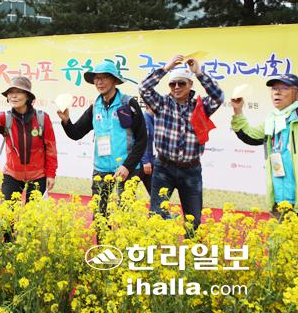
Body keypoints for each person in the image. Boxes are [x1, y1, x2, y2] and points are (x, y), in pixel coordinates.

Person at [139, 55, 224, 231]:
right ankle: (154, 249)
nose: (176, 87)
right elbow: (143, 88)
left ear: (190, 84)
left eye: (181, 83)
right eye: (172, 84)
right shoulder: (161, 103)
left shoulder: (201, 105)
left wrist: (199, 73)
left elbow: (218, 97)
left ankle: (191, 249)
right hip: (163, 168)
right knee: (156, 217)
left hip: (191, 170)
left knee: (193, 221)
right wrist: (166, 69)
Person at [57, 61, 147, 217]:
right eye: (96, 78)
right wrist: (66, 121)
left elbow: (142, 139)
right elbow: (76, 133)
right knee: (99, 217)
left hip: (126, 169)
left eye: (104, 77)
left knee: (124, 217)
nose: (99, 82)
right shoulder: (95, 106)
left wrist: (127, 166)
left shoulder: (127, 104)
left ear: (114, 80)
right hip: (101, 169)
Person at [0, 76, 57, 201]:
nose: (13, 96)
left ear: (27, 96)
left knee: (34, 213)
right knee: (7, 211)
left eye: (19, 92)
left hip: (38, 175)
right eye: (10, 92)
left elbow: (51, 148)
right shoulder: (5, 117)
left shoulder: (42, 118)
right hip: (12, 174)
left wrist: (51, 174)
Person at [231, 74, 298, 214]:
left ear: (296, 92)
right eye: (274, 88)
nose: (277, 92)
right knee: (280, 228)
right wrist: (238, 110)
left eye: (284, 88)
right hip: (279, 199)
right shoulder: (272, 120)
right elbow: (249, 136)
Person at [139, 103, 155, 195]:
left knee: (155, 193)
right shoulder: (145, 119)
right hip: (144, 163)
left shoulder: (152, 119)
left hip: (150, 161)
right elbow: (143, 141)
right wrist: (145, 161)